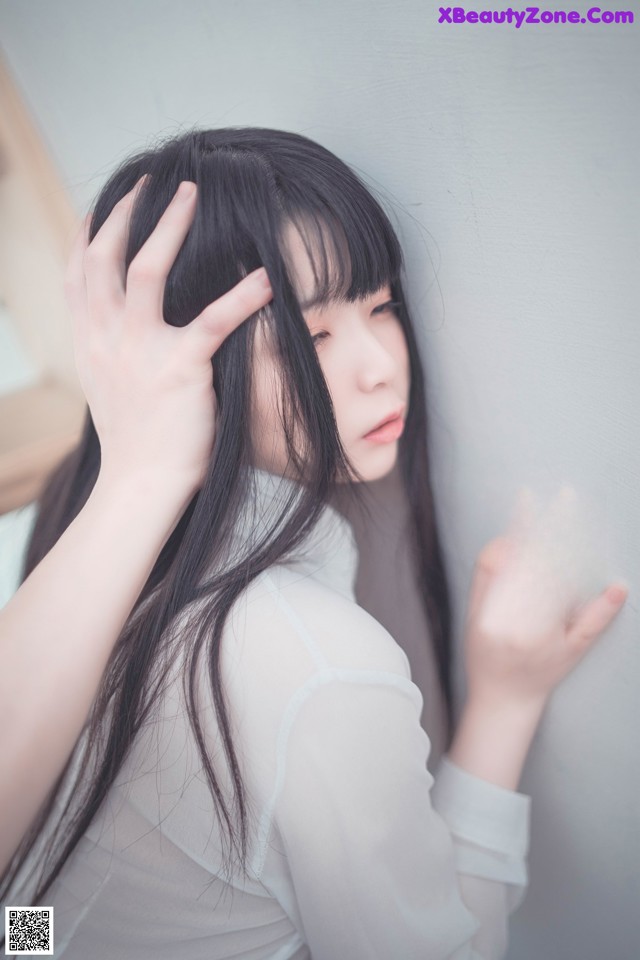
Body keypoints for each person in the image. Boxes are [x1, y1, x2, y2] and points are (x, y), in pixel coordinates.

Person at [0, 127, 627, 959]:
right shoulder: (318, 666)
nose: (379, 367)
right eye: (314, 336)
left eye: (381, 306)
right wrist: (505, 702)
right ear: (195, 367)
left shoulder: (70, 531)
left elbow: (34, 917)